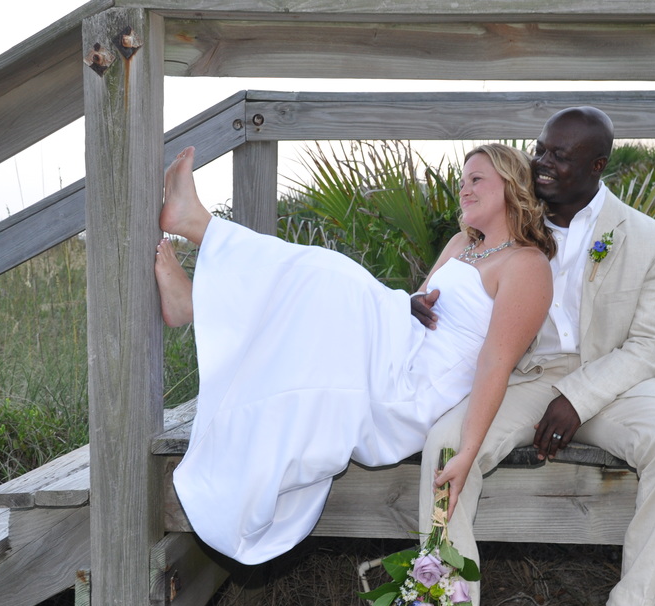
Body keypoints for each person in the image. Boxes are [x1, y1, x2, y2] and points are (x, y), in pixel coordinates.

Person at [413, 107, 655, 606]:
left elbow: (650, 346)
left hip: (615, 378)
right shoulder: (509, 223)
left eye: (559, 156)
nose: (541, 163)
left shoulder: (653, 241)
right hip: (522, 376)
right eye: (540, 150)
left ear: (598, 165)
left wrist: (578, 397)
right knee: (447, 444)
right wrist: (415, 303)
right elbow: (451, 286)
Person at [155, 144, 554, 569]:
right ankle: (193, 294)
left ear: (512, 188)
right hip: (402, 348)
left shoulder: (527, 265)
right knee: (319, 280)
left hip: (414, 390)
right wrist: (410, 302)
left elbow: (496, 362)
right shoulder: (461, 244)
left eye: (477, 180)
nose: (464, 190)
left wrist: (467, 451)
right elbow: (426, 302)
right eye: (462, 182)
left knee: (329, 277)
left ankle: (196, 244)